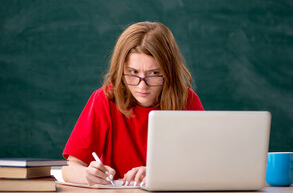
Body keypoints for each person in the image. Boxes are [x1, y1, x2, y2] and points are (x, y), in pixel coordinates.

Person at [62, 21, 204, 187]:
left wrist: (157, 174)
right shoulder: (105, 99)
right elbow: (69, 167)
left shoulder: (187, 100)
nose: (142, 86)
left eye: (154, 73)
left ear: (169, 72)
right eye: (133, 72)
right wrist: (87, 175)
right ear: (120, 69)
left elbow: (204, 166)